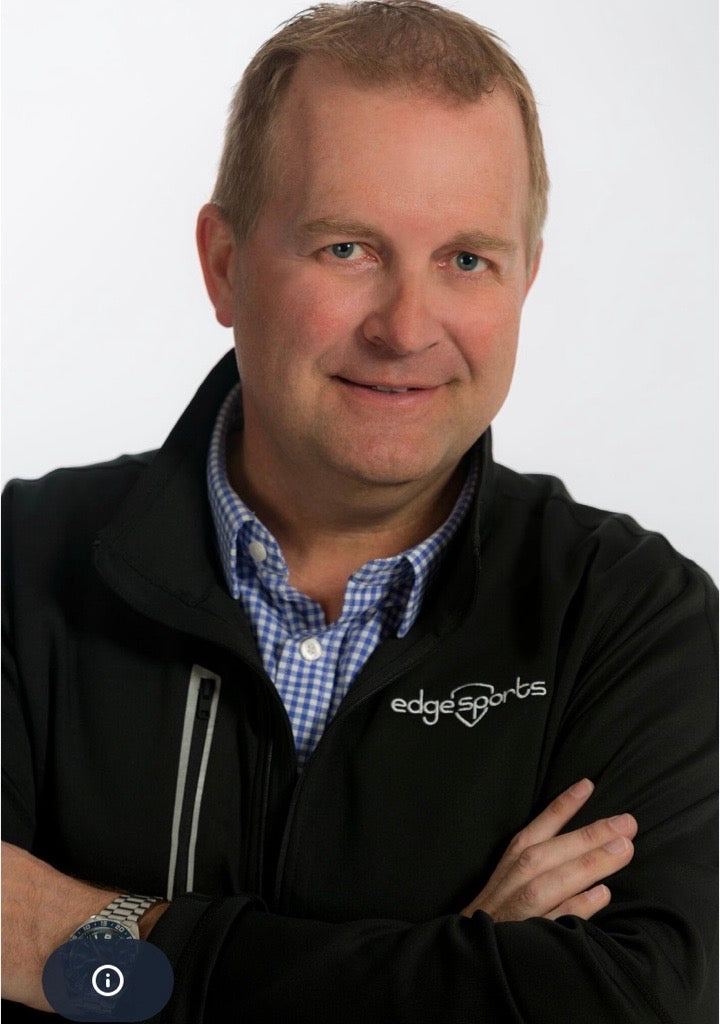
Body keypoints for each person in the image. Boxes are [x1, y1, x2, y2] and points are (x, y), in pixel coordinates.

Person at [2, 1, 716, 1021]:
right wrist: (467, 964)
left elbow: (633, 1007)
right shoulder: (17, 569)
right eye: (348, 249)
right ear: (223, 265)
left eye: (466, 259)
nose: (407, 327)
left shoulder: (630, 620)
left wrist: (82, 939)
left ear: (526, 279)